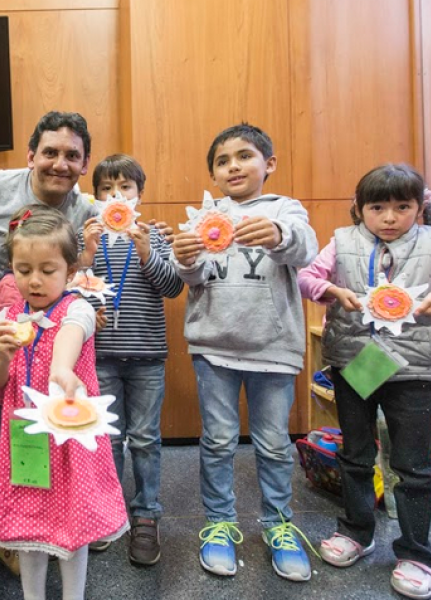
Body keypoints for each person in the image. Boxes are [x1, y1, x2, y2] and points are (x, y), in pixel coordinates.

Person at [170, 123, 319, 581]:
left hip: (273, 348)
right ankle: (219, 523)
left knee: (274, 444)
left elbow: (305, 248)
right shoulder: (205, 213)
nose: (232, 166)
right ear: (213, 174)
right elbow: (191, 278)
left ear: (268, 164)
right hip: (213, 346)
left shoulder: (284, 208)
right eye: (222, 161)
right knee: (216, 441)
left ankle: (278, 524)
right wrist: (184, 256)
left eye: (244, 156)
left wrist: (277, 233)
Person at [297, 164, 431, 599]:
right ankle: (356, 531)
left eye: (402, 207)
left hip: (414, 370)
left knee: (414, 465)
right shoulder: (342, 241)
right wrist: (335, 293)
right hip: (356, 363)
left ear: (419, 207)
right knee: (355, 453)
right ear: (359, 208)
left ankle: (415, 552)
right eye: (377, 207)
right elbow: (307, 278)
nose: (390, 217)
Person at [0, 205, 128, 600]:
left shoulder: (77, 308)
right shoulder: (6, 320)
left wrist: (63, 370)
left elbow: (70, 333)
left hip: (69, 438)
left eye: (47, 271)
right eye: (23, 268)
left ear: (69, 269)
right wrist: (3, 356)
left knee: (73, 522)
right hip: (25, 439)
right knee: (28, 527)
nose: (34, 280)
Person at [0, 111, 98, 518]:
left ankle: (45, 494)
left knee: (31, 409)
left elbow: (87, 271)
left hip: (48, 327)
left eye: (72, 156)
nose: (60, 163)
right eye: (50, 152)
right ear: (30, 155)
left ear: (84, 164)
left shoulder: (86, 211)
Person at [77, 154, 184, 564]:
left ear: (139, 195)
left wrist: (146, 252)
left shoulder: (153, 236)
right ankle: (105, 513)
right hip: (100, 356)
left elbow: (173, 287)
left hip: (147, 356)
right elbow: (71, 289)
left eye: (125, 188)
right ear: (96, 194)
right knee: (106, 439)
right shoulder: (90, 235)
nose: (116, 195)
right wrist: (85, 258)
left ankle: (146, 515)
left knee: (145, 439)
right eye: (107, 188)